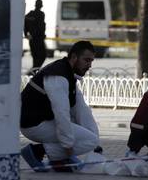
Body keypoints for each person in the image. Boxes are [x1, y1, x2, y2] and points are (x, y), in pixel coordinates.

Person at [20, 41, 100, 172]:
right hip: (33, 125)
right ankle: (36, 151)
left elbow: (81, 109)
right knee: (89, 140)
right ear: (74, 57)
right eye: (86, 60)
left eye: (91, 61)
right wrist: (68, 149)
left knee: (91, 139)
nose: (89, 65)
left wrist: (96, 141)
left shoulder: (69, 74)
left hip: (44, 120)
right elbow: (61, 113)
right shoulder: (58, 76)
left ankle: (59, 160)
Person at [24, 0, 46, 71]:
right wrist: (26, 33)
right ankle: (34, 71)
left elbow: (25, 23)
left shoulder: (30, 14)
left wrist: (26, 33)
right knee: (41, 56)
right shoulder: (41, 14)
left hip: (34, 39)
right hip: (37, 39)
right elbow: (41, 27)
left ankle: (34, 70)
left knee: (36, 57)